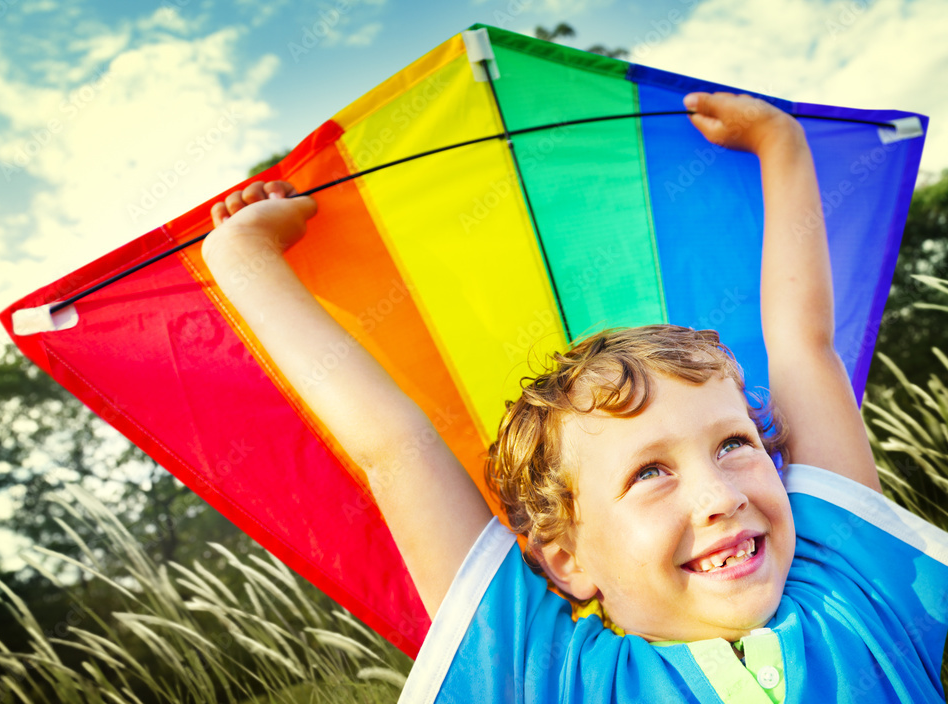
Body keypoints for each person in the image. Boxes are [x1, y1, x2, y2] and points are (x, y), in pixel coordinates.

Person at [202, 93, 948, 702]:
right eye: (649, 473)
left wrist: (781, 147)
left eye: (733, 444)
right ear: (566, 562)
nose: (719, 495)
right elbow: (396, 448)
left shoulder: (852, 582)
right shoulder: (550, 677)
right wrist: (240, 260)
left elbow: (802, 347)